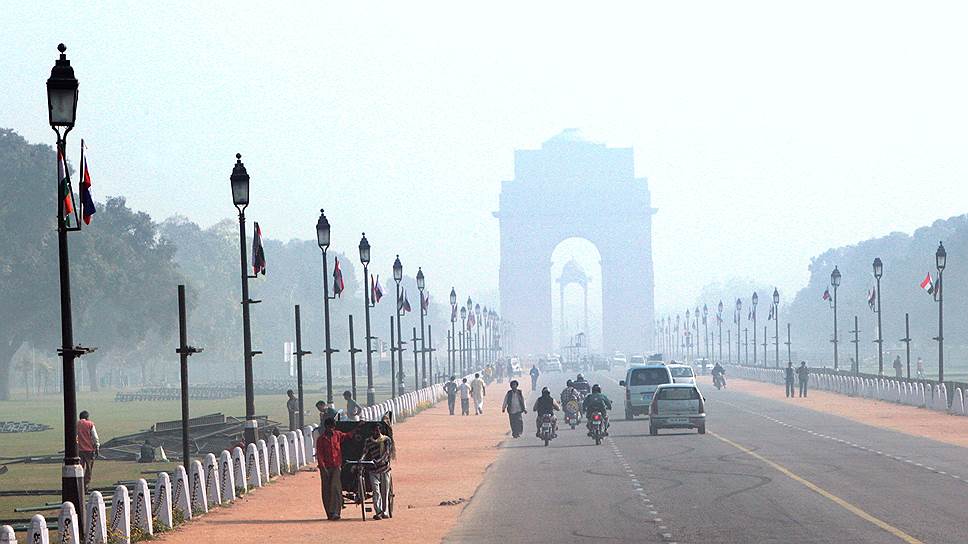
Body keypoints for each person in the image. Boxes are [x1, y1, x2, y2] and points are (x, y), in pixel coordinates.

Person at [315, 418, 354, 520]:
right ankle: (329, 513)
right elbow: (319, 455)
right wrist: (323, 468)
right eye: (330, 427)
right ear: (326, 427)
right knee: (326, 490)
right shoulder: (321, 439)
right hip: (325, 467)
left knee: (335, 488)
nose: (331, 429)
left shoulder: (337, 435)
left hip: (336, 466)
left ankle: (336, 512)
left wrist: (358, 428)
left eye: (333, 427)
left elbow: (348, 435)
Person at [362, 423, 394, 520]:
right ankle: (378, 511)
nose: (377, 432)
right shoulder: (368, 441)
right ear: (372, 431)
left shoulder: (386, 440)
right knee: (376, 492)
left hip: (384, 469)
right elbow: (365, 452)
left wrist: (379, 460)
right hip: (373, 470)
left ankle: (385, 511)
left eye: (378, 430)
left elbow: (387, 453)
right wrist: (361, 459)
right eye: (375, 430)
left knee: (385, 491)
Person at [77, 410, 99, 488]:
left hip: (79, 450)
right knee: (89, 468)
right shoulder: (90, 424)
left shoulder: (76, 424)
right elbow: (95, 437)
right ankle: (86, 484)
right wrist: (97, 447)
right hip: (89, 450)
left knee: (80, 467)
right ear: (87, 417)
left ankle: (79, 483)